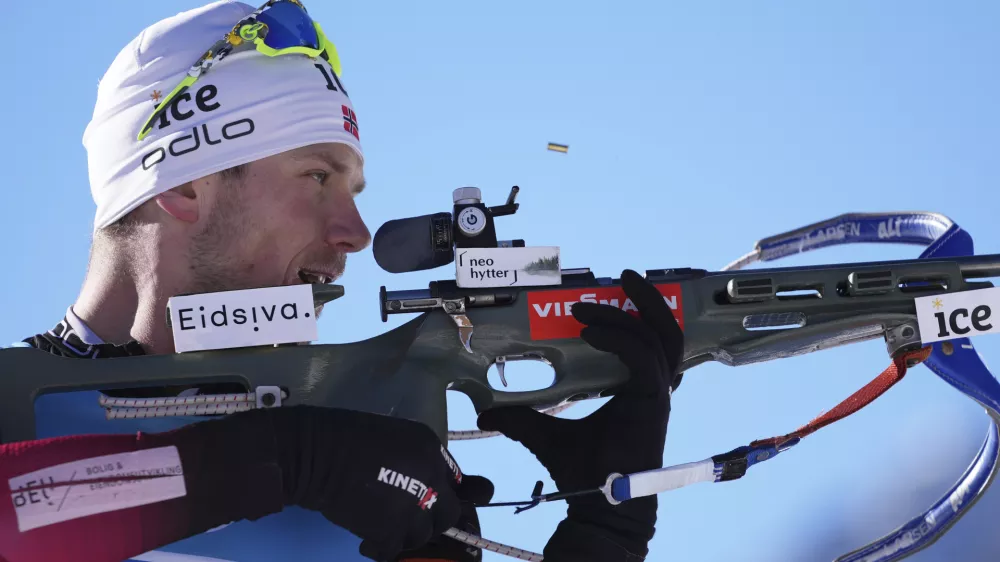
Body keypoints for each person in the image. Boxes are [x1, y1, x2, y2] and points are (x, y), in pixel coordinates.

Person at [0, 2, 684, 561]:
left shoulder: (371, 488)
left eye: (352, 189)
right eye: (317, 177)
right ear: (183, 188)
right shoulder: (329, 462)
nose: (355, 232)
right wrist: (284, 461)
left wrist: (604, 536)